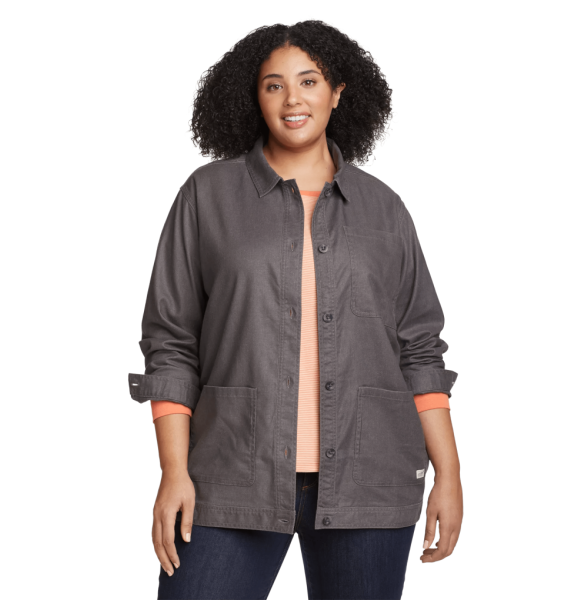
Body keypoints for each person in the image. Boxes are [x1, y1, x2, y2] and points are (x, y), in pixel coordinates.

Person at [128, 20, 463, 600]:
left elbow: (419, 348)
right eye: (273, 85)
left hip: (370, 478)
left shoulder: (384, 209)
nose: (292, 99)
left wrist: (449, 476)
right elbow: (172, 340)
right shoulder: (208, 195)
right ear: (253, 98)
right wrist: (173, 471)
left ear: (338, 93)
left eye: (309, 81)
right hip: (230, 476)